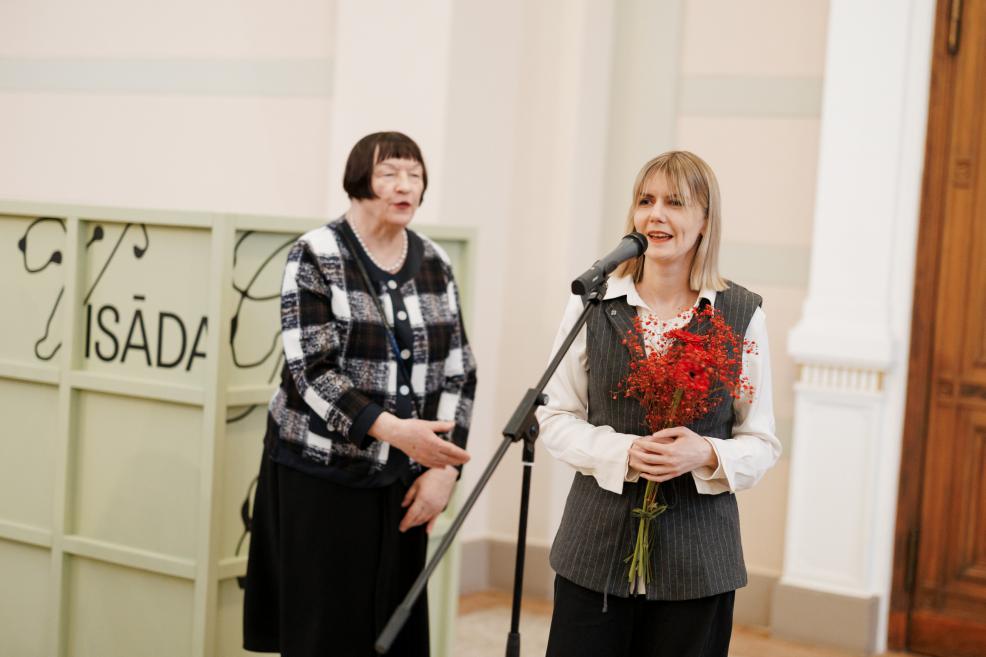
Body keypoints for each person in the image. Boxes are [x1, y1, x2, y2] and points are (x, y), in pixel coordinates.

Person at [243, 131, 477, 657]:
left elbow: (460, 371)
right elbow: (312, 372)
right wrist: (397, 432)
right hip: (321, 472)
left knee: (393, 631)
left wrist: (444, 468)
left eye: (415, 175)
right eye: (390, 172)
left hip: (404, 479)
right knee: (324, 631)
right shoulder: (315, 253)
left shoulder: (435, 261)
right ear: (358, 180)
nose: (405, 185)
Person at [537, 151, 780, 657]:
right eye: (645, 201)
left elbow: (761, 441)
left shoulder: (741, 313)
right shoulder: (592, 303)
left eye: (674, 202)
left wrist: (707, 455)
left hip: (699, 564)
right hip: (594, 552)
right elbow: (555, 414)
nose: (655, 215)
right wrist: (622, 452)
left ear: (705, 219)